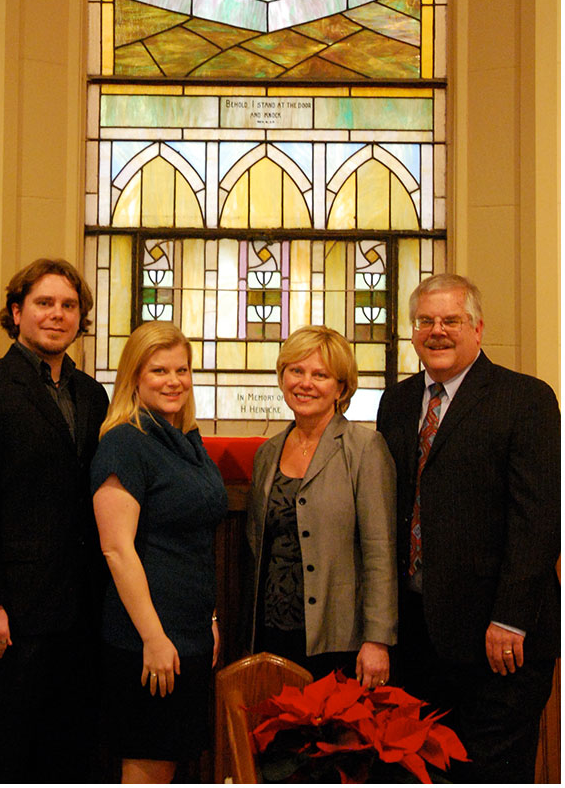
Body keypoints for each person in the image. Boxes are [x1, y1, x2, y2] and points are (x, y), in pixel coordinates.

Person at [376, 273, 560, 783]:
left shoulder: (526, 399)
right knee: (419, 774)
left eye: (450, 320)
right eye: (426, 321)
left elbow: (541, 519)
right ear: (413, 332)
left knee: (489, 773)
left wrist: (512, 619)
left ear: (477, 328)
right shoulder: (396, 402)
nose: (438, 331)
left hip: (498, 642)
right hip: (416, 636)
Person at [0, 258, 110, 784]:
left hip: (81, 611)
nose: (58, 315)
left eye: (69, 305)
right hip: (12, 615)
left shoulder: (92, 395)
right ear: (16, 311)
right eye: (44, 303)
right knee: (5, 755)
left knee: (70, 753)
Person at [91, 320, 227, 784]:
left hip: (187, 633)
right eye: (159, 371)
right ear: (134, 378)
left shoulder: (188, 441)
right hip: (146, 639)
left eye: (182, 370)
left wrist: (207, 620)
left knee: (171, 763)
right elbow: (116, 549)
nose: (174, 381)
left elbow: (195, 543)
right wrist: (152, 637)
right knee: (147, 768)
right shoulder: (126, 442)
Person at [244, 325, 397, 684]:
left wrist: (377, 639)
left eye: (320, 375)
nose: (305, 383)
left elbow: (380, 551)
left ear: (341, 387)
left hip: (338, 637)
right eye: (296, 371)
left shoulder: (364, 449)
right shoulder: (268, 453)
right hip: (271, 631)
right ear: (282, 377)